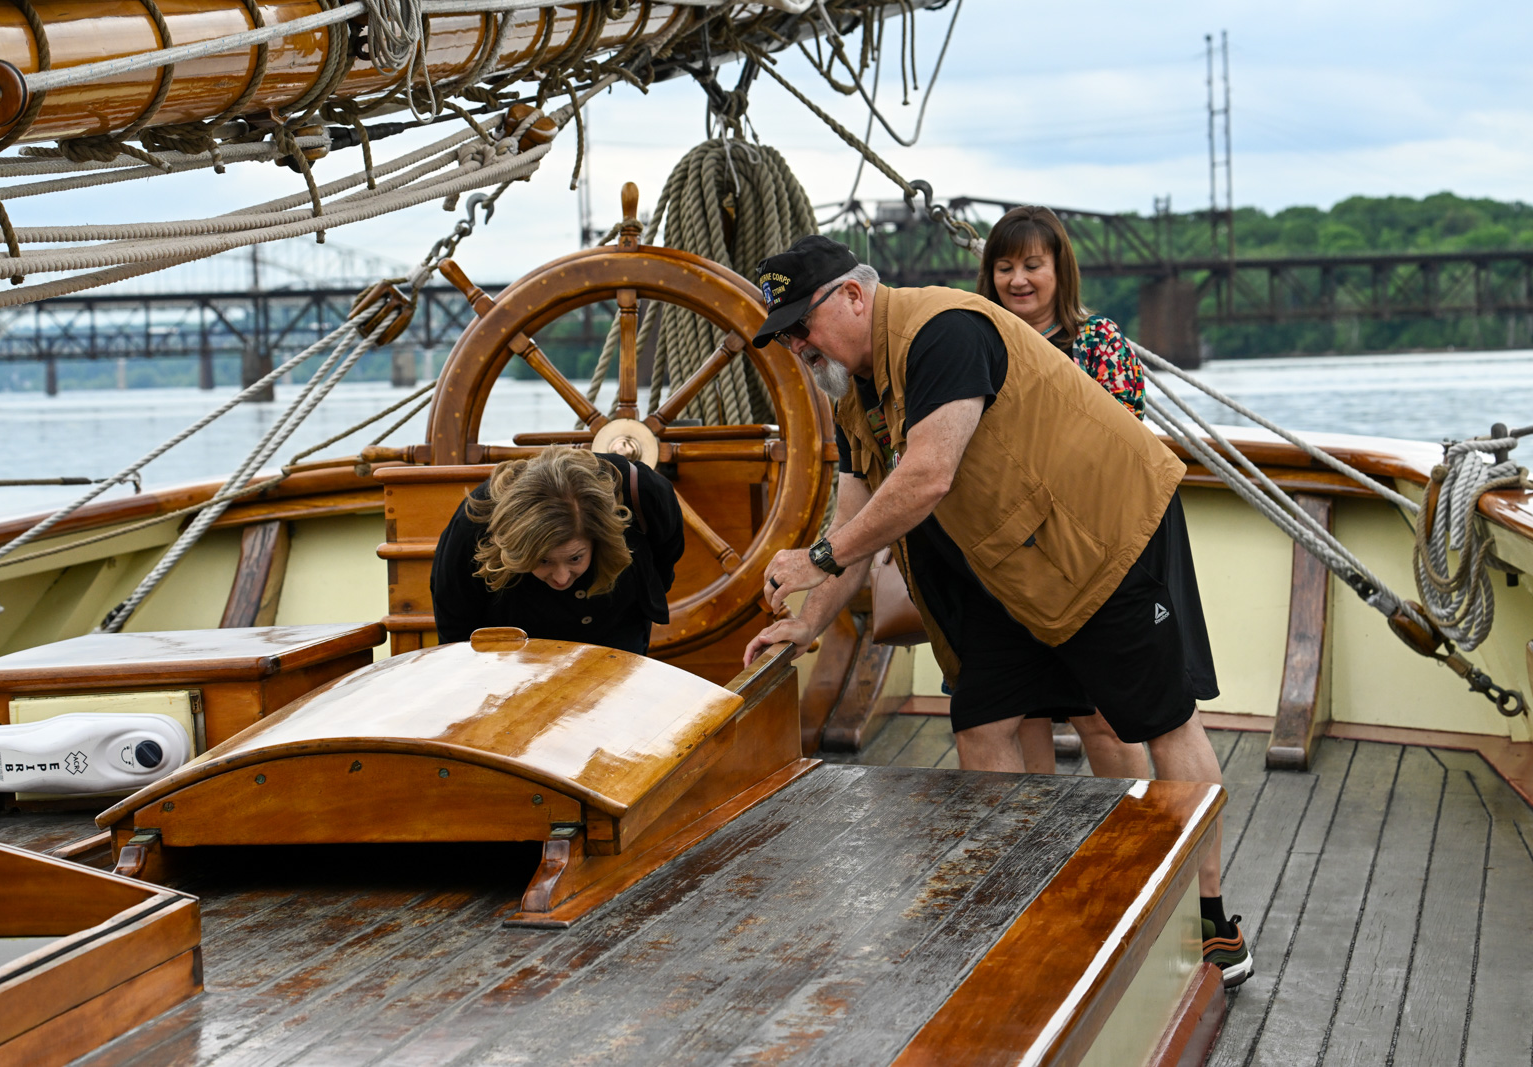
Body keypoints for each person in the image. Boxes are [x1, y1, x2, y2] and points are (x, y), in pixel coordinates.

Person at [741, 235, 1251, 989]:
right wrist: (811, 618)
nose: (796, 344)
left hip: (1103, 537)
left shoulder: (943, 332)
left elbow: (927, 475)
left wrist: (815, 560)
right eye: (783, 334)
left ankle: (1211, 919)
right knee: (984, 721)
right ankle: (1027, 904)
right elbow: (855, 503)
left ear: (852, 296)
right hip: (1011, 565)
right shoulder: (856, 388)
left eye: (799, 324)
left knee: (1159, 718)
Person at [976, 205, 1219, 779]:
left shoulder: (1097, 340)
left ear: (1061, 271)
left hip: (1090, 550)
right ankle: (1037, 853)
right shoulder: (975, 344)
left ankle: (1129, 844)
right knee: (1024, 710)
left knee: (1102, 716)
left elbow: (1121, 442)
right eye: (1005, 266)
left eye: (1033, 264)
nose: (1018, 280)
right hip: (1012, 552)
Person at [430, 446, 684, 656]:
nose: (561, 577)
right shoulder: (476, 523)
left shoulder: (642, 491)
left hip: (616, 624)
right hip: (517, 646)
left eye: (575, 557)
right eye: (543, 561)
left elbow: (667, 552)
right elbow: (455, 621)